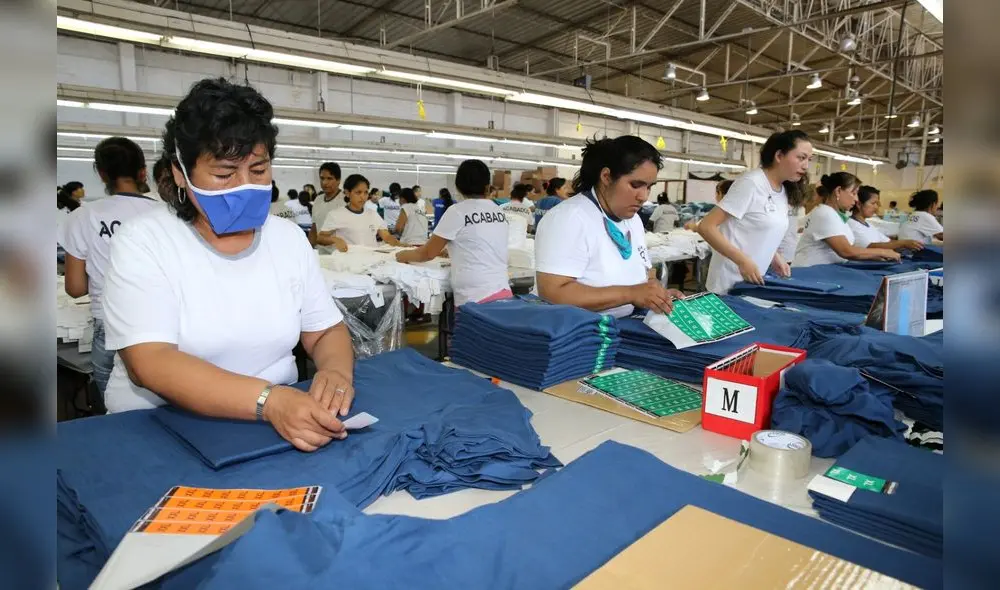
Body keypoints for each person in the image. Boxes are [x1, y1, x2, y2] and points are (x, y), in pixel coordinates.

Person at [102, 77, 354, 452]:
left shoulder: (286, 239)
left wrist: (334, 372)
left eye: (258, 172)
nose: (243, 187)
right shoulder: (144, 242)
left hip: (275, 425)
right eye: (223, 174)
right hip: (160, 428)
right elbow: (150, 362)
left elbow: (323, 331)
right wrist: (269, 401)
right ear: (179, 173)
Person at [58, 137, 164, 396]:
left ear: (102, 174)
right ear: (142, 171)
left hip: (109, 323)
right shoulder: (167, 214)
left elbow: (74, 288)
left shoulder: (83, 216)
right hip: (161, 322)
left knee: (114, 407)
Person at [535, 136, 682, 318]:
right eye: (635, 185)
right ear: (606, 177)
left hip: (622, 326)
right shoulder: (569, 218)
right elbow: (552, 293)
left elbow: (643, 273)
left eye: (649, 187)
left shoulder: (633, 220)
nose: (643, 196)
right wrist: (631, 294)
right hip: (580, 333)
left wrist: (657, 296)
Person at [699, 130, 813, 293]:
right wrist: (742, 261)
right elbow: (706, 226)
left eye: (809, 160)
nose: (806, 166)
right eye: (801, 158)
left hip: (753, 281)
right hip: (728, 283)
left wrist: (775, 257)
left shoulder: (782, 190)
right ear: (779, 155)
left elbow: (758, 229)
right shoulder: (751, 183)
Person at [396, 160, 511, 305]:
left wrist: (400, 255)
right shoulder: (498, 211)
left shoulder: (457, 211)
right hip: (503, 291)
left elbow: (427, 253)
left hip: (474, 299)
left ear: (458, 186)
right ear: (487, 186)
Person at [793, 172, 901, 267]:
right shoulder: (825, 214)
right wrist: (882, 252)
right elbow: (846, 251)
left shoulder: (835, 215)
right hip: (809, 272)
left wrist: (872, 255)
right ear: (838, 191)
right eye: (853, 193)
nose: (856, 199)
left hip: (824, 270)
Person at [320, 174, 400, 253]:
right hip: (349, 261)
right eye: (358, 192)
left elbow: (386, 236)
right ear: (347, 193)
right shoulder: (336, 215)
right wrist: (334, 239)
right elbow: (320, 238)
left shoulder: (373, 214)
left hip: (372, 260)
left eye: (366, 192)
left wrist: (400, 244)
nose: (363, 196)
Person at [848, 186, 924, 251]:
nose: (876, 207)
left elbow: (888, 242)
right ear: (859, 204)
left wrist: (907, 243)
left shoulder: (868, 225)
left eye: (877, 204)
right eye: (873, 203)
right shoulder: (851, 224)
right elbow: (869, 247)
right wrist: (902, 243)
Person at [308, 162, 344, 248]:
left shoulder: (345, 201)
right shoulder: (318, 199)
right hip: (320, 253)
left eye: (329, 178)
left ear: (338, 180)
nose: (324, 182)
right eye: (322, 178)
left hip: (339, 254)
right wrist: (308, 248)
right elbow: (314, 228)